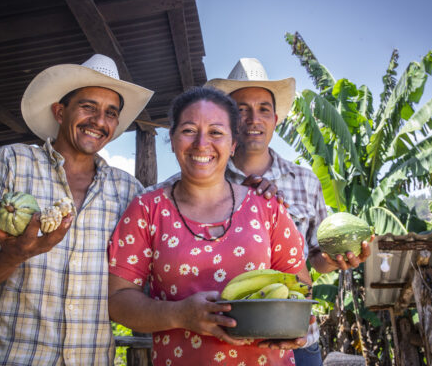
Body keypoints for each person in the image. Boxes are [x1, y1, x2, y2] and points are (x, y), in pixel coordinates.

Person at [0, 54, 154, 365]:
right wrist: (15, 254)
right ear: (60, 111)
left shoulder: (128, 190)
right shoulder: (14, 161)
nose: (99, 121)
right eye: (88, 106)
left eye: (110, 113)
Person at [108, 87, 309, 365]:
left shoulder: (267, 207)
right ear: (173, 138)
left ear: (233, 143)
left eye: (216, 132)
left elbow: (300, 286)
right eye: (189, 130)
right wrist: (179, 315)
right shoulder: (146, 210)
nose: (202, 143)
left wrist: (293, 329)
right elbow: (118, 301)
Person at [205, 58, 374, 365]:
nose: (253, 118)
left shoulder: (306, 181)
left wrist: (337, 259)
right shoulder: (205, 180)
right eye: (241, 109)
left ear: (276, 118)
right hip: (222, 334)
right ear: (227, 118)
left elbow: (316, 259)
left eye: (263, 109)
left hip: (296, 337)